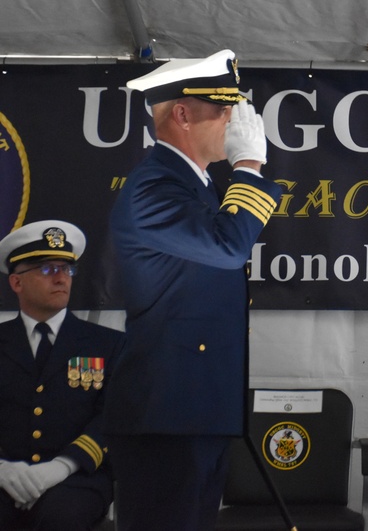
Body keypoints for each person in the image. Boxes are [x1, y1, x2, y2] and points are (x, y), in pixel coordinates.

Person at [103, 50, 283, 531]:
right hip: (165, 413)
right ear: (182, 114)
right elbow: (228, 247)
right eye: (224, 108)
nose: (234, 119)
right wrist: (247, 166)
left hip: (195, 409)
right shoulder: (153, 187)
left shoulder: (191, 185)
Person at [0, 220, 124, 530]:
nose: (60, 278)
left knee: (58, 518)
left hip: (79, 477)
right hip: (4, 475)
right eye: (46, 269)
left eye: (66, 269)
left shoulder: (108, 345)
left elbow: (114, 417)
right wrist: (2, 470)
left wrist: (62, 466)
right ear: (16, 283)